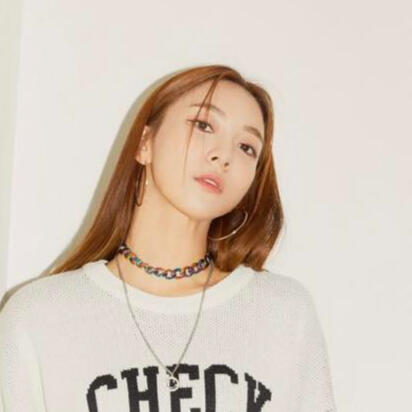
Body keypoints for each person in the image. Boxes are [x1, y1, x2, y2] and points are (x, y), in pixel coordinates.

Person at [0, 65, 336, 411]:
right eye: (204, 125)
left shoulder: (283, 313)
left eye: (247, 147)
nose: (224, 155)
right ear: (145, 142)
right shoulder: (40, 317)